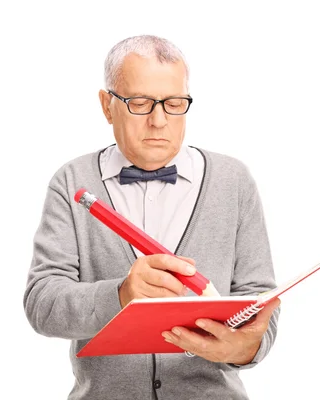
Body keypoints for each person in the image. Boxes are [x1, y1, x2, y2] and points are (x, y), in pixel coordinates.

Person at [23, 34, 281, 400]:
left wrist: (243, 350)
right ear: (107, 105)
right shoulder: (72, 181)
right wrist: (121, 294)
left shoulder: (234, 181)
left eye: (174, 104)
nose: (159, 121)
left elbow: (259, 305)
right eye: (141, 103)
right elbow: (42, 305)